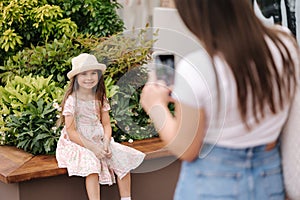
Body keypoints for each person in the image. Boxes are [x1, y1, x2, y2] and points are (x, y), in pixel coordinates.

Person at [140, 0, 299, 199]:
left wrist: (155, 105)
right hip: (268, 181)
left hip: (211, 185)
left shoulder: (197, 68)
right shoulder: (284, 45)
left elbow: (186, 148)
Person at [56, 53, 145, 200]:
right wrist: (93, 148)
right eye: (84, 74)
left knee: (122, 158)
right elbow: (71, 132)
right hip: (78, 141)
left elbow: (106, 124)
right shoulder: (72, 100)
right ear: (76, 78)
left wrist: (105, 144)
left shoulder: (100, 97)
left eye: (93, 73)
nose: (89, 78)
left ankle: (126, 198)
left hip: (98, 138)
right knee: (92, 164)